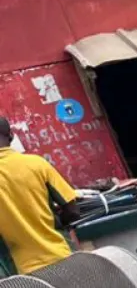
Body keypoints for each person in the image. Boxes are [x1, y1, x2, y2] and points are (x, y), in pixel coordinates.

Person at [0, 115, 80, 274]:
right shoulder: (37, 164)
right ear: (11, 135)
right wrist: (56, 221)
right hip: (60, 256)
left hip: (21, 272)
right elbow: (73, 211)